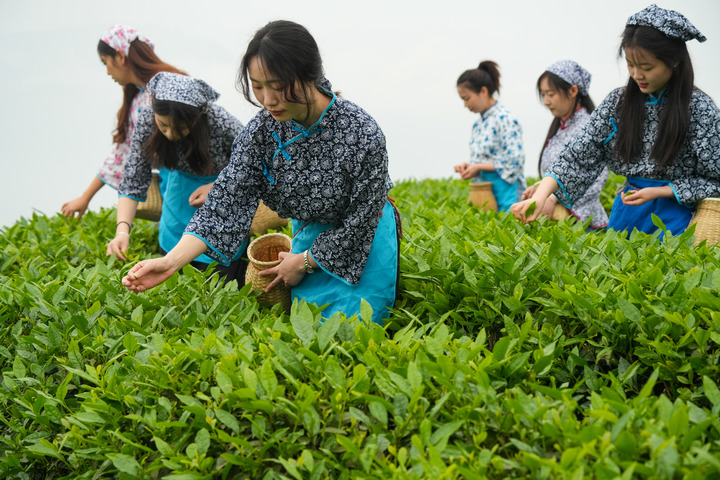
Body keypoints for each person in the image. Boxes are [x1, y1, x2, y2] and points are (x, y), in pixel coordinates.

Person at [121, 20, 399, 325]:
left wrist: (304, 262)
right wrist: (170, 262)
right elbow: (225, 203)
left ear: (310, 75)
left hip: (364, 244)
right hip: (308, 238)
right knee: (311, 332)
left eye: (278, 86)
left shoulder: (362, 131)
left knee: (359, 330)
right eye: (257, 86)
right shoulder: (261, 133)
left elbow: (363, 218)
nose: (267, 100)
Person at [512, 5, 720, 239]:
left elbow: (716, 179)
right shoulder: (618, 103)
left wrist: (663, 191)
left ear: (675, 61)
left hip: (678, 218)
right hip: (628, 214)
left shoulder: (700, 109)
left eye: (647, 67)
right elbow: (577, 155)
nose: (637, 75)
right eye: (630, 64)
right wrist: (540, 196)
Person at [107, 72, 247, 283]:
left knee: (218, 285)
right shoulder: (147, 120)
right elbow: (134, 178)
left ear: (200, 114)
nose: (170, 134)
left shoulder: (222, 124)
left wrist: (218, 186)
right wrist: (122, 232)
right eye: (163, 125)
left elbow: (253, 166)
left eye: (181, 127)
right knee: (174, 276)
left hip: (221, 205)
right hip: (178, 201)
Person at [61, 25, 184, 218]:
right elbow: (124, 151)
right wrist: (86, 197)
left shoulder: (165, 89)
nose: (108, 72)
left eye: (106, 63)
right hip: (171, 186)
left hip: (188, 181)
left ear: (119, 56)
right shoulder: (138, 97)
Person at [522, 60, 609, 228]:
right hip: (559, 220)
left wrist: (553, 198)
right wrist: (539, 189)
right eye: (543, 95)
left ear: (573, 91)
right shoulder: (561, 127)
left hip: (584, 223)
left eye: (550, 94)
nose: (546, 101)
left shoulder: (589, 127)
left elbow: (596, 178)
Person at [453, 61, 526, 212]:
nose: (465, 105)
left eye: (467, 98)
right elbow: (486, 158)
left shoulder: (504, 118)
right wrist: (470, 166)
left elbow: (515, 159)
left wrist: (478, 167)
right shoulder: (478, 124)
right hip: (485, 194)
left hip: (507, 193)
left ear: (483, 91)